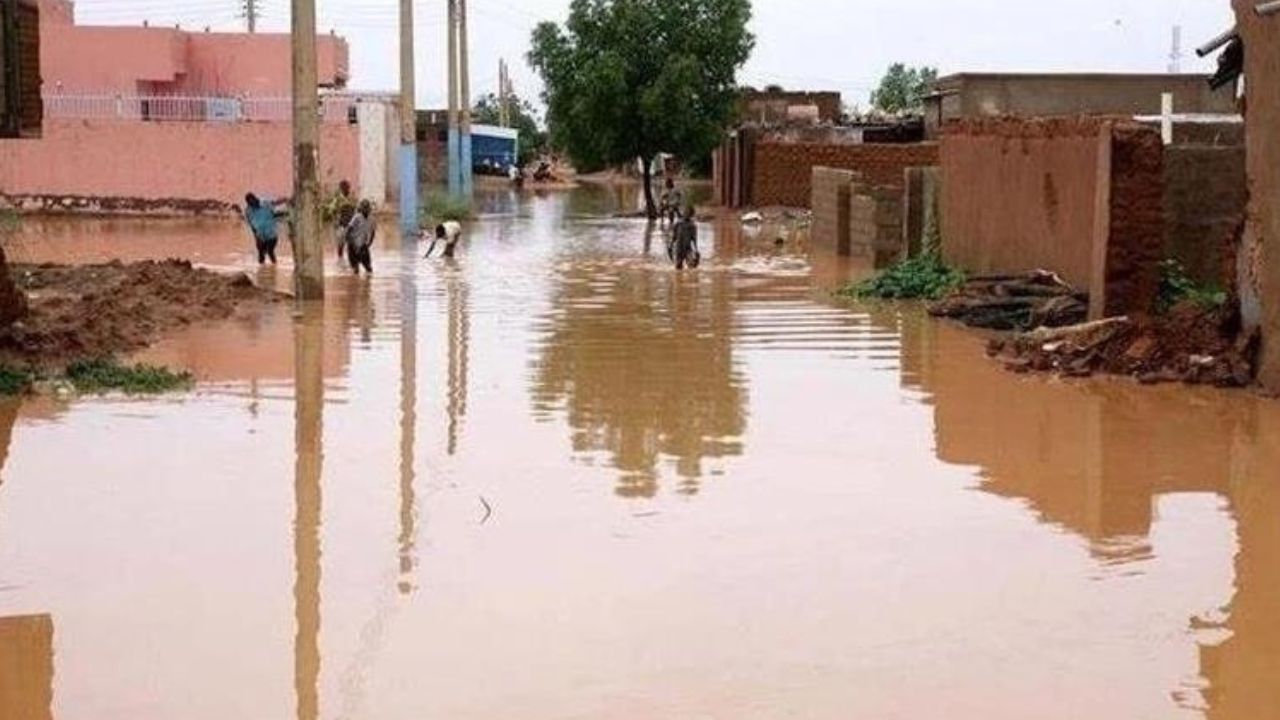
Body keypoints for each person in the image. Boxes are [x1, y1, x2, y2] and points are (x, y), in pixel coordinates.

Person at [243, 193, 281, 265]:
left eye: (252, 202)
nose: (252, 204)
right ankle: (262, 271)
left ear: (255, 199)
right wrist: (256, 237)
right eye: (250, 203)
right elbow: (251, 225)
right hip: (260, 235)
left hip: (271, 234)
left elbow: (275, 203)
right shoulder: (248, 211)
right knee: (260, 254)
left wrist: (285, 200)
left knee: (270, 251)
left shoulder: (265, 203)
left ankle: (275, 266)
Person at [341, 200, 376, 276]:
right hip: (353, 244)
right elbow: (349, 228)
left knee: (368, 268)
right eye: (364, 208)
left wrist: (370, 243)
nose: (365, 210)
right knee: (355, 269)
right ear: (361, 208)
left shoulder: (372, 219)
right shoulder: (357, 217)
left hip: (363, 244)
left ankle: (366, 284)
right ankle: (354, 283)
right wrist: (348, 239)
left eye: (367, 208)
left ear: (369, 209)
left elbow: (373, 232)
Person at [326, 180, 358, 256]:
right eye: (343, 188)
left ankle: (349, 259)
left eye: (346, 187)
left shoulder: (351, 198)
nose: (345, 189)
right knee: (341, 243)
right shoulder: (338, 199)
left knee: (350, 243)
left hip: (350, 224)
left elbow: (356, 210)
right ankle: (341, 258)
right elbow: (331, 210)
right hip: (342, 224)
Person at [671, 206, 699, 270]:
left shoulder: (692, 226)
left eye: (688, 213)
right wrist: (670, 246)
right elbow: (674, 236)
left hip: (687, 248)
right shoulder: (678, 224)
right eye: (685, 212)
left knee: (691, 266)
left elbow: (694, 239)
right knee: (678, 267)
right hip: (678, 248)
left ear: (691, 215)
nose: (686, 214)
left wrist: (696, 250)